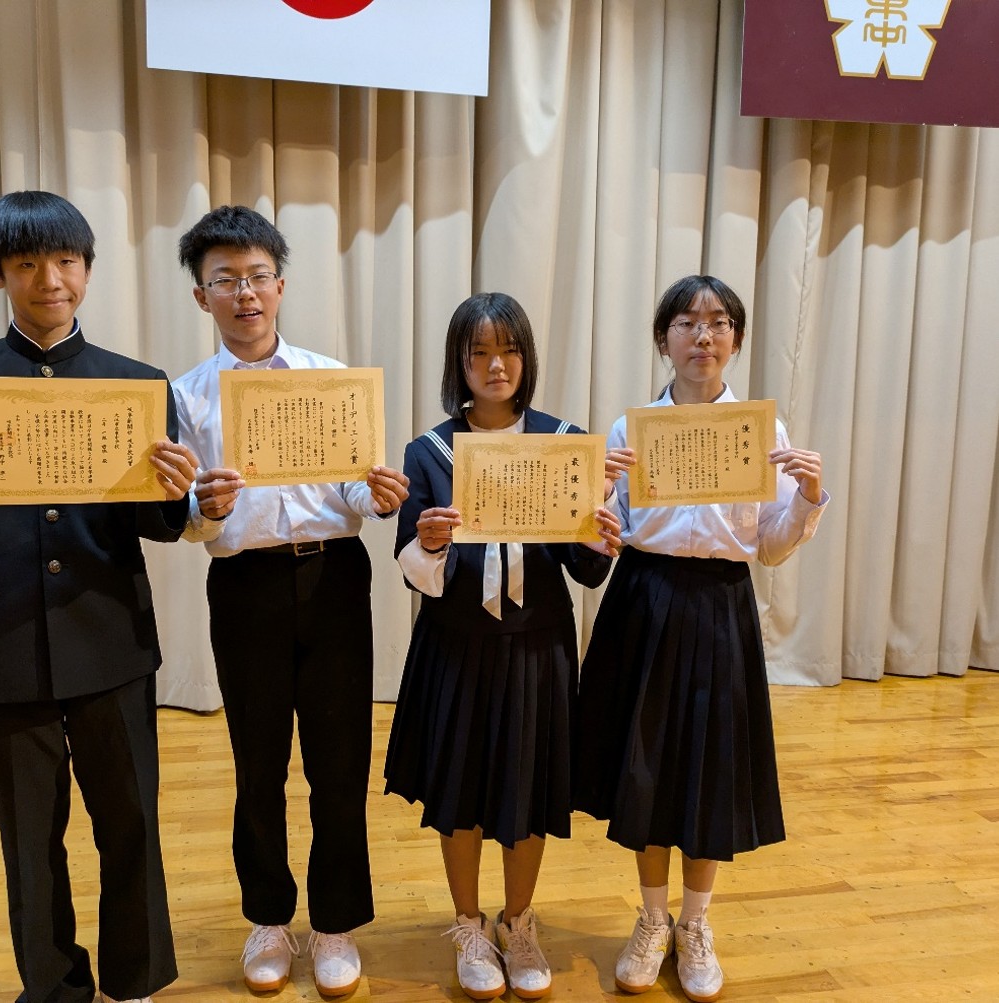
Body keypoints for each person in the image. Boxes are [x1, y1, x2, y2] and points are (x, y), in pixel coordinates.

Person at [0, 191, 198, 1003]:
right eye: (26, 264)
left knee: (131, 822)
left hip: (111, 637)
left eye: (66, 261)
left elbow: (158, 524)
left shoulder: (136, 383)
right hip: (0, 644)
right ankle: (52, 989)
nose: (50, 279)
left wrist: (176, 495)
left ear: (86, 268)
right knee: (28, 838)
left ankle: (135, 979)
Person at [172, 205, 410, 997]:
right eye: (225, 280)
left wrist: (377, 495)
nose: (245, 293)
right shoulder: (186, 397)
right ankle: (269, 916)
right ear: (201, 295)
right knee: (258, 762)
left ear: (280, 285)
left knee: (339, 761)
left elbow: (353, 487)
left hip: (333, 576)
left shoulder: (328, 377)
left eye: (258, 277)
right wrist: (202, 506)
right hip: (245, 586)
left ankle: (334, 922)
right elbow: (181, 521)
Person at [573, 275, 829, 1003]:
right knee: (646, 766)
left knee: (710, 766)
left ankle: (694, 923)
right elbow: (609, 534)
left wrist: (809, 498)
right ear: (665, 339)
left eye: (718, 323)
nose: (703, 336)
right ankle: (651, 919)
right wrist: (595, 501)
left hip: (720, 604)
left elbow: (769, 547)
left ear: (735, 341)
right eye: (687, 323)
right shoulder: (629, 430)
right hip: (645, 599)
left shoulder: (763, 432)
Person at [383, 292, 623, 1000]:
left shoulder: (565, 442)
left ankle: (519, 922)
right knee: (459, 788)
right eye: (480, 352)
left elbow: (584, 571)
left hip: (538, 645)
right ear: (458, 363)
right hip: (455, 645)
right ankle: (467, 922)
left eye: (509, 350)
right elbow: (413, 571)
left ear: (527, 359)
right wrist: (429, 542)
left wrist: (598, 536)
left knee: (529, 786)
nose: (496, 366)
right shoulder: (429, 451)